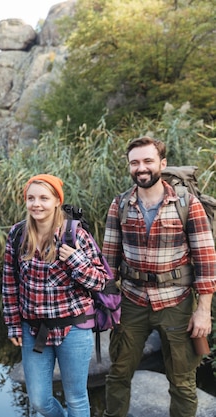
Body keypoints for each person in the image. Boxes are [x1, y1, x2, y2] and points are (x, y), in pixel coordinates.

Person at [102, 136, 216, 417]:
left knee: (182, 381)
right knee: (117, 375)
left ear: (161, 164)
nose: (141, 168)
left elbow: (205, 259)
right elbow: (108, 263)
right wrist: (104, 305)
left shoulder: (187, 203)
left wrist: (203, 311)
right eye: (135, 162)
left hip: (176, 303)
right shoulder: (120, 205)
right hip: (131, 301)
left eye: (148, 161)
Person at [2, 174, 109, 417]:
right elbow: (10, 283)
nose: (36, 204)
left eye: (43, 198)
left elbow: (100, 281)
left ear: (57, 201)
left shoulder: (76, 235)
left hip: (74, 329)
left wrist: (74, 259)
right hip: (33, 330)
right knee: (39, 400)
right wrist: (13, 325)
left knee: (76, 399)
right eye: (31, 198)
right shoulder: (18, 234)